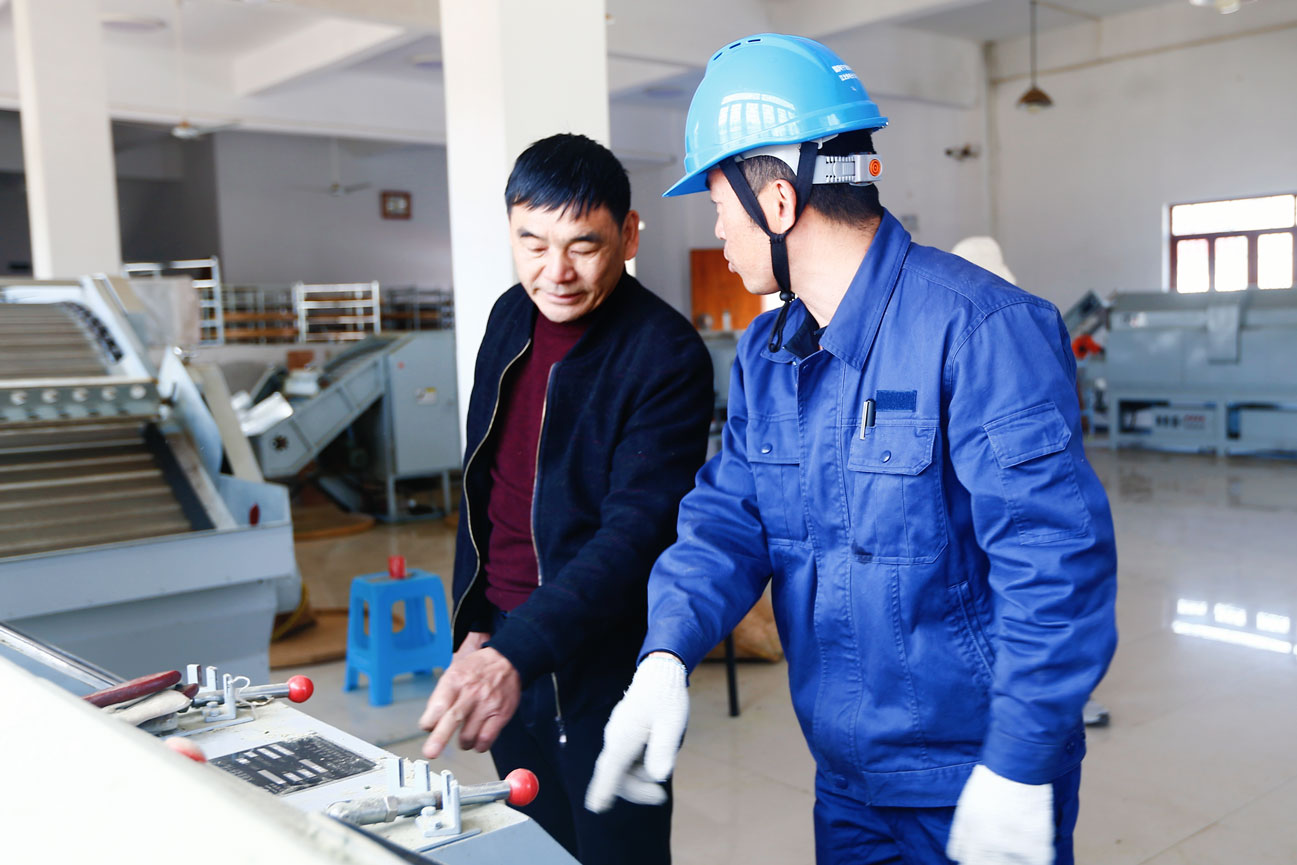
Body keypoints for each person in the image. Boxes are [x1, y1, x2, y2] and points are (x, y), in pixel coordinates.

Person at [585, 34, 1118, 865]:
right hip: (847, 779)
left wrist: (1019, 759)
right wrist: (664, 654)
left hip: (975, 774)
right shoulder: (768, 354)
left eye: (719, 202)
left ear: (778, 201)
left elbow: (1053, 563)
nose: (716, 228)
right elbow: (728, 521)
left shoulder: (980, 329)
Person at [417, 133, 713, 865]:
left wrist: (515, 652)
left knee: (618, 852)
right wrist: (478, 626)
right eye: (533, 243)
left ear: (629, 235)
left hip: (608, 662)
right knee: (535, 848)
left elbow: (635, 535)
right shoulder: (507, 318)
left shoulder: (665, 353)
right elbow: (482, 484)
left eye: (584, 245)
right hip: (504, 644)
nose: (556, 273)